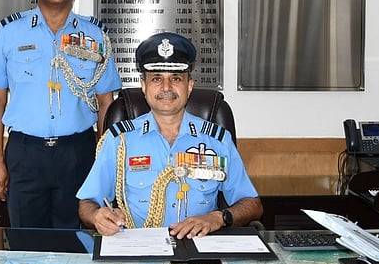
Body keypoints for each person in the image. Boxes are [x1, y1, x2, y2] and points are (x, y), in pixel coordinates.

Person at [0, 0, 122, 228]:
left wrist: (103, 160)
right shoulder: (10, 32)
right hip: (25, 152)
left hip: (78, 152)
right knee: (26, 244)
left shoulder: (95, 36)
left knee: (76, 244)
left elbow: (106, 103)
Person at [77, 32, 262, 239]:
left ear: (189, 86)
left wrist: (219, 218)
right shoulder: (119, 141)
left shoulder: (217, 140)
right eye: (157, 78)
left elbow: (252, 204)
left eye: (175, 78)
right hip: (138, 251)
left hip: (200, 250)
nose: (166, 87)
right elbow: (86, 203)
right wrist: (97, 216)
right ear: (144, 87)